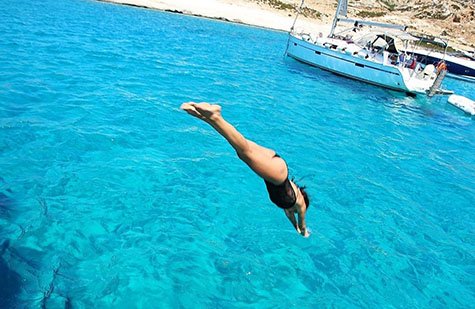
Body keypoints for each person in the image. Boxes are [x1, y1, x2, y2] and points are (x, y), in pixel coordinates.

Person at [180, 102, 310, 237]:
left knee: (242, 145)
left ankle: (203, 115)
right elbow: (302, 223)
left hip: (277, 163)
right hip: (278, 176)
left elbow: (292, 218)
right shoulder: (300, 204)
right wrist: (304, 233)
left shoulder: (289, 207)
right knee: (244, 152)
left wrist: (295, 227)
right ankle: (215, 116)